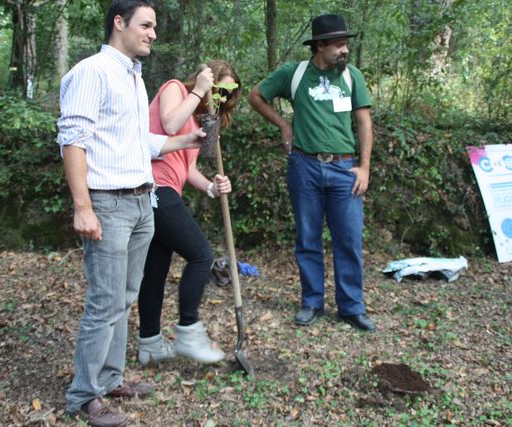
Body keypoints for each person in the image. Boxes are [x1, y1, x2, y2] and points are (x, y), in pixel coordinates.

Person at [57, 1, 205, 425]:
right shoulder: (92, 72)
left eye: (155, 26)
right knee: (104, 302)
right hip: (108, 202)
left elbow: (142, 141)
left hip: (143, 201)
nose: (153, 33)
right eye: (146, 25)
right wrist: (83, 207)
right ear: (118, 23)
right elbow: (73, 140)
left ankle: (110, 378)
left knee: (124, 298)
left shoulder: (134, 76)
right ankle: (84, 396)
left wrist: (186, 140)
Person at [248, 14, 376, 332]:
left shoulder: (352, 77)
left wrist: (364, 167)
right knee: (307, 238)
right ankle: (312, 302)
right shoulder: (295, 73)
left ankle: (351, 307)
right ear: (319, 45)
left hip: (345, 168)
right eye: (338, 45)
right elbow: (255, 96)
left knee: (348, 238)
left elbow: (364, 123)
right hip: (304, 166)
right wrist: (283, 124)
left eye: (346, 44)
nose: (344, 50)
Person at [136, 60, 242, 366]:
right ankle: (188, 331)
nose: (220, 98)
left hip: (170, 188)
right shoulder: (175, 88)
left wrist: (211, 187)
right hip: (153, 188)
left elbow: (187, 168)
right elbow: (169, 125)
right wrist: (198, 91)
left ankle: (150, 342)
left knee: (155, 271)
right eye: (219, 88)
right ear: (205, 79)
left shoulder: (198, 122)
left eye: (227, 94)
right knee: (201, 255)